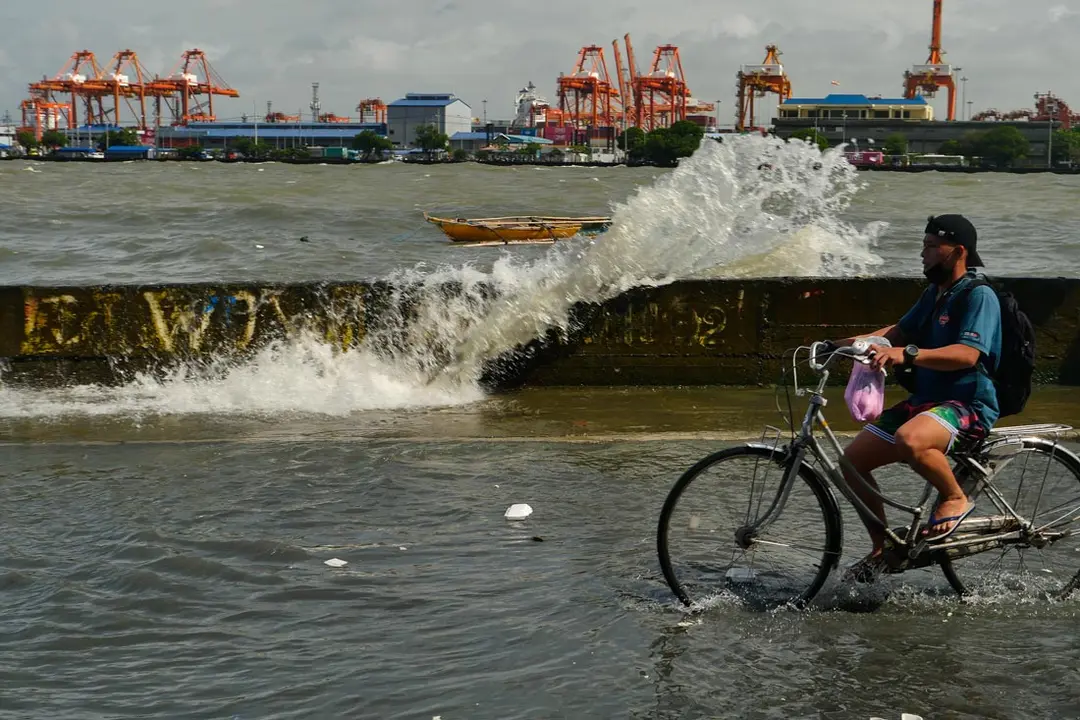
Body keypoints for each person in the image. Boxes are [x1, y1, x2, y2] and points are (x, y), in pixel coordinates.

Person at [831, 214, 1002, 581]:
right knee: (850, 466)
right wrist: (839, 347)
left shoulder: (979, 295)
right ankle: (882, 550)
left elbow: (967, 355)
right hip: (926, 401)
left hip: (967, 404)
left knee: (911, 439)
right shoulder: (935, 293)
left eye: (930, 247)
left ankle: (955, 497)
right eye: (922, 245)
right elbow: (897, 332)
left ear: (958, 251)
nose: (922, 254)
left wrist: (906, 354)